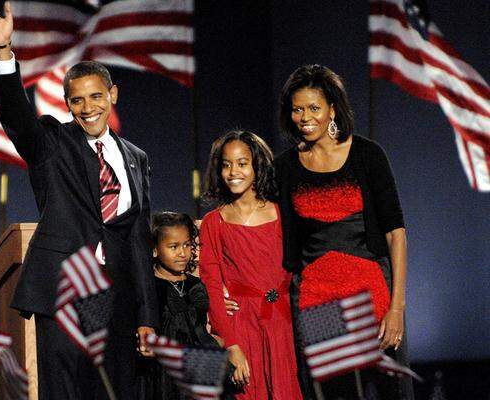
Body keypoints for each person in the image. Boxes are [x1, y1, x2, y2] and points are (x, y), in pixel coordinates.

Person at [0, 1, 158, 399]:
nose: (88, 108)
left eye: (96, 97)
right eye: (77, 101)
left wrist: (147, 315)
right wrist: (5, 52)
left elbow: (139, 240)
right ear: (67, 103)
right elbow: (18, 119)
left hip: (118, 300)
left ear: (113, 95)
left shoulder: (137, 158)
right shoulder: (54, 143)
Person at [275, 64, 414, 399]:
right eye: (297, 109)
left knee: (387, 390)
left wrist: (397, 309)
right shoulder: (284, 167)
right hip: (318, 299)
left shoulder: (368, 155)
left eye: (313, 108)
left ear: (332, 109)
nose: (304, 117)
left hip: (373, 294)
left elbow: (396, 233)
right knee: (337, 394)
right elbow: (261, 222)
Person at [199, 130, 303, 400]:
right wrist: (231, 344)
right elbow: (211, 284)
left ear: (257, 165)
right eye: (226, 164)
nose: (233, 171)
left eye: (242, 163)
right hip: (241, 326)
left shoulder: (282, 213)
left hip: (282, 324)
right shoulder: (214, 222)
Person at [137, 211, 234, 400]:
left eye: (187, 245)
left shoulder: (196, 285)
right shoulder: (148, 289)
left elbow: (203, 324)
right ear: (155, 249)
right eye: (173, 246)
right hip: (163, 376)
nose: (182, 253)